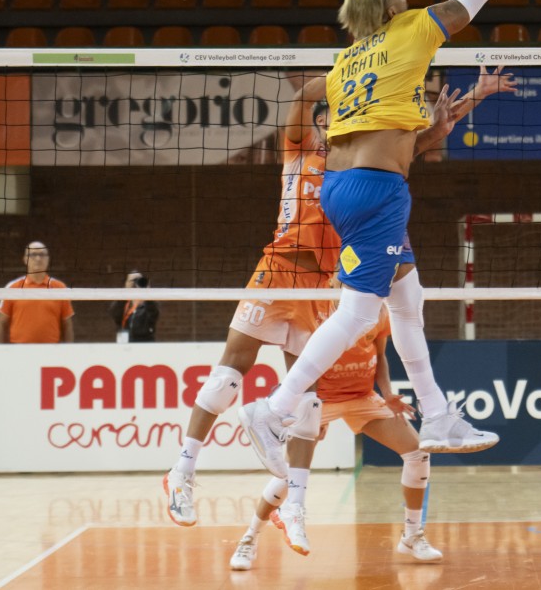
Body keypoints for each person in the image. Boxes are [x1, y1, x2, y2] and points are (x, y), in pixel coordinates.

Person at [240, 0, 541, 479]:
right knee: (359, 312)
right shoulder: (415, 29)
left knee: (407, 300)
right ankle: (273, 408)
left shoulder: (343, 65)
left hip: (346, 187)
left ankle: (437, 414)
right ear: (387, 2)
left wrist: (433, 126)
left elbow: (373, 134)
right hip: (376, 191)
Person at [163, 75, 463, 527]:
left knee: (304, 400)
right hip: (277, 269)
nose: (329, 126)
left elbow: (418, 144)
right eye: (327, 120)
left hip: (321, 286)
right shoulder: (298, 147)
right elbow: (304, 98)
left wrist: (441, 125)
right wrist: (353, 76)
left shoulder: (358, 164)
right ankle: (182, 471)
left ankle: (291, 503)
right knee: (228, 375)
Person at [229, 305, 442, 569]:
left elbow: (381, 355)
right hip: (318, 399)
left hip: (361, 397)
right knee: (288, 476)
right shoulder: (314, 310)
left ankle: (412, 535)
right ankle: (249, 538)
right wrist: (307, 406)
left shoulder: (379, 310)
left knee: (417, 453)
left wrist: (386, 393)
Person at [0, 241, 74, 344]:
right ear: (25, 259)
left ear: (48, 259)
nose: (38, 259)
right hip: (19, 352)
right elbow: (1, 323)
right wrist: (2, 353)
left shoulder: (59, 288)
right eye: (33, 255)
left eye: (42, 254)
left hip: (51, 353)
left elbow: (67, 324)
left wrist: (68, 353)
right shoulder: (13, 288)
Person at [108, 270, 159, 342]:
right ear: (126, 283)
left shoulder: (149, 304)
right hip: (125, 345)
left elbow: (154, 312)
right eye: (132, 281)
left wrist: (147, 292)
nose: (135, 284)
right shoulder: (123, 303)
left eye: (139, 280)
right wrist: (125, 291)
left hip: (144, 345)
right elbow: (114, 313)